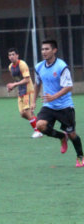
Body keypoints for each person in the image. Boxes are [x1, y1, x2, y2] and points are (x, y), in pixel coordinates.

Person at [32, 39, 84, 167]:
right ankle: (61, 137)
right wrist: (33, 101)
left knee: (72, 134)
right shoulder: (39, 67)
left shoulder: (61, 66)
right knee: (40, 125)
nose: (44, 52)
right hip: (49, 106)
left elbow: (68, 87)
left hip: (65, 106)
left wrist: (54, 96)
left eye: (47, 49)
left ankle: (80, 156)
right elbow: (37, 84)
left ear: (54, 50)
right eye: (42, 49)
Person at [6, 48, 43, 138]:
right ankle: (41, 124)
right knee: (23, 114)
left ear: (17, 55)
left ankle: (38, 131)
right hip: (21, 91)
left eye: (13, 54)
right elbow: (17, 79)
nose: (11, 56)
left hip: (28, 90)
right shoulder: (10, 67)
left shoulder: (22, 64)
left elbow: (26, 79)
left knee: (27, 112)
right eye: (10, 55)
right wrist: (13, 87)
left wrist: (14, 84)